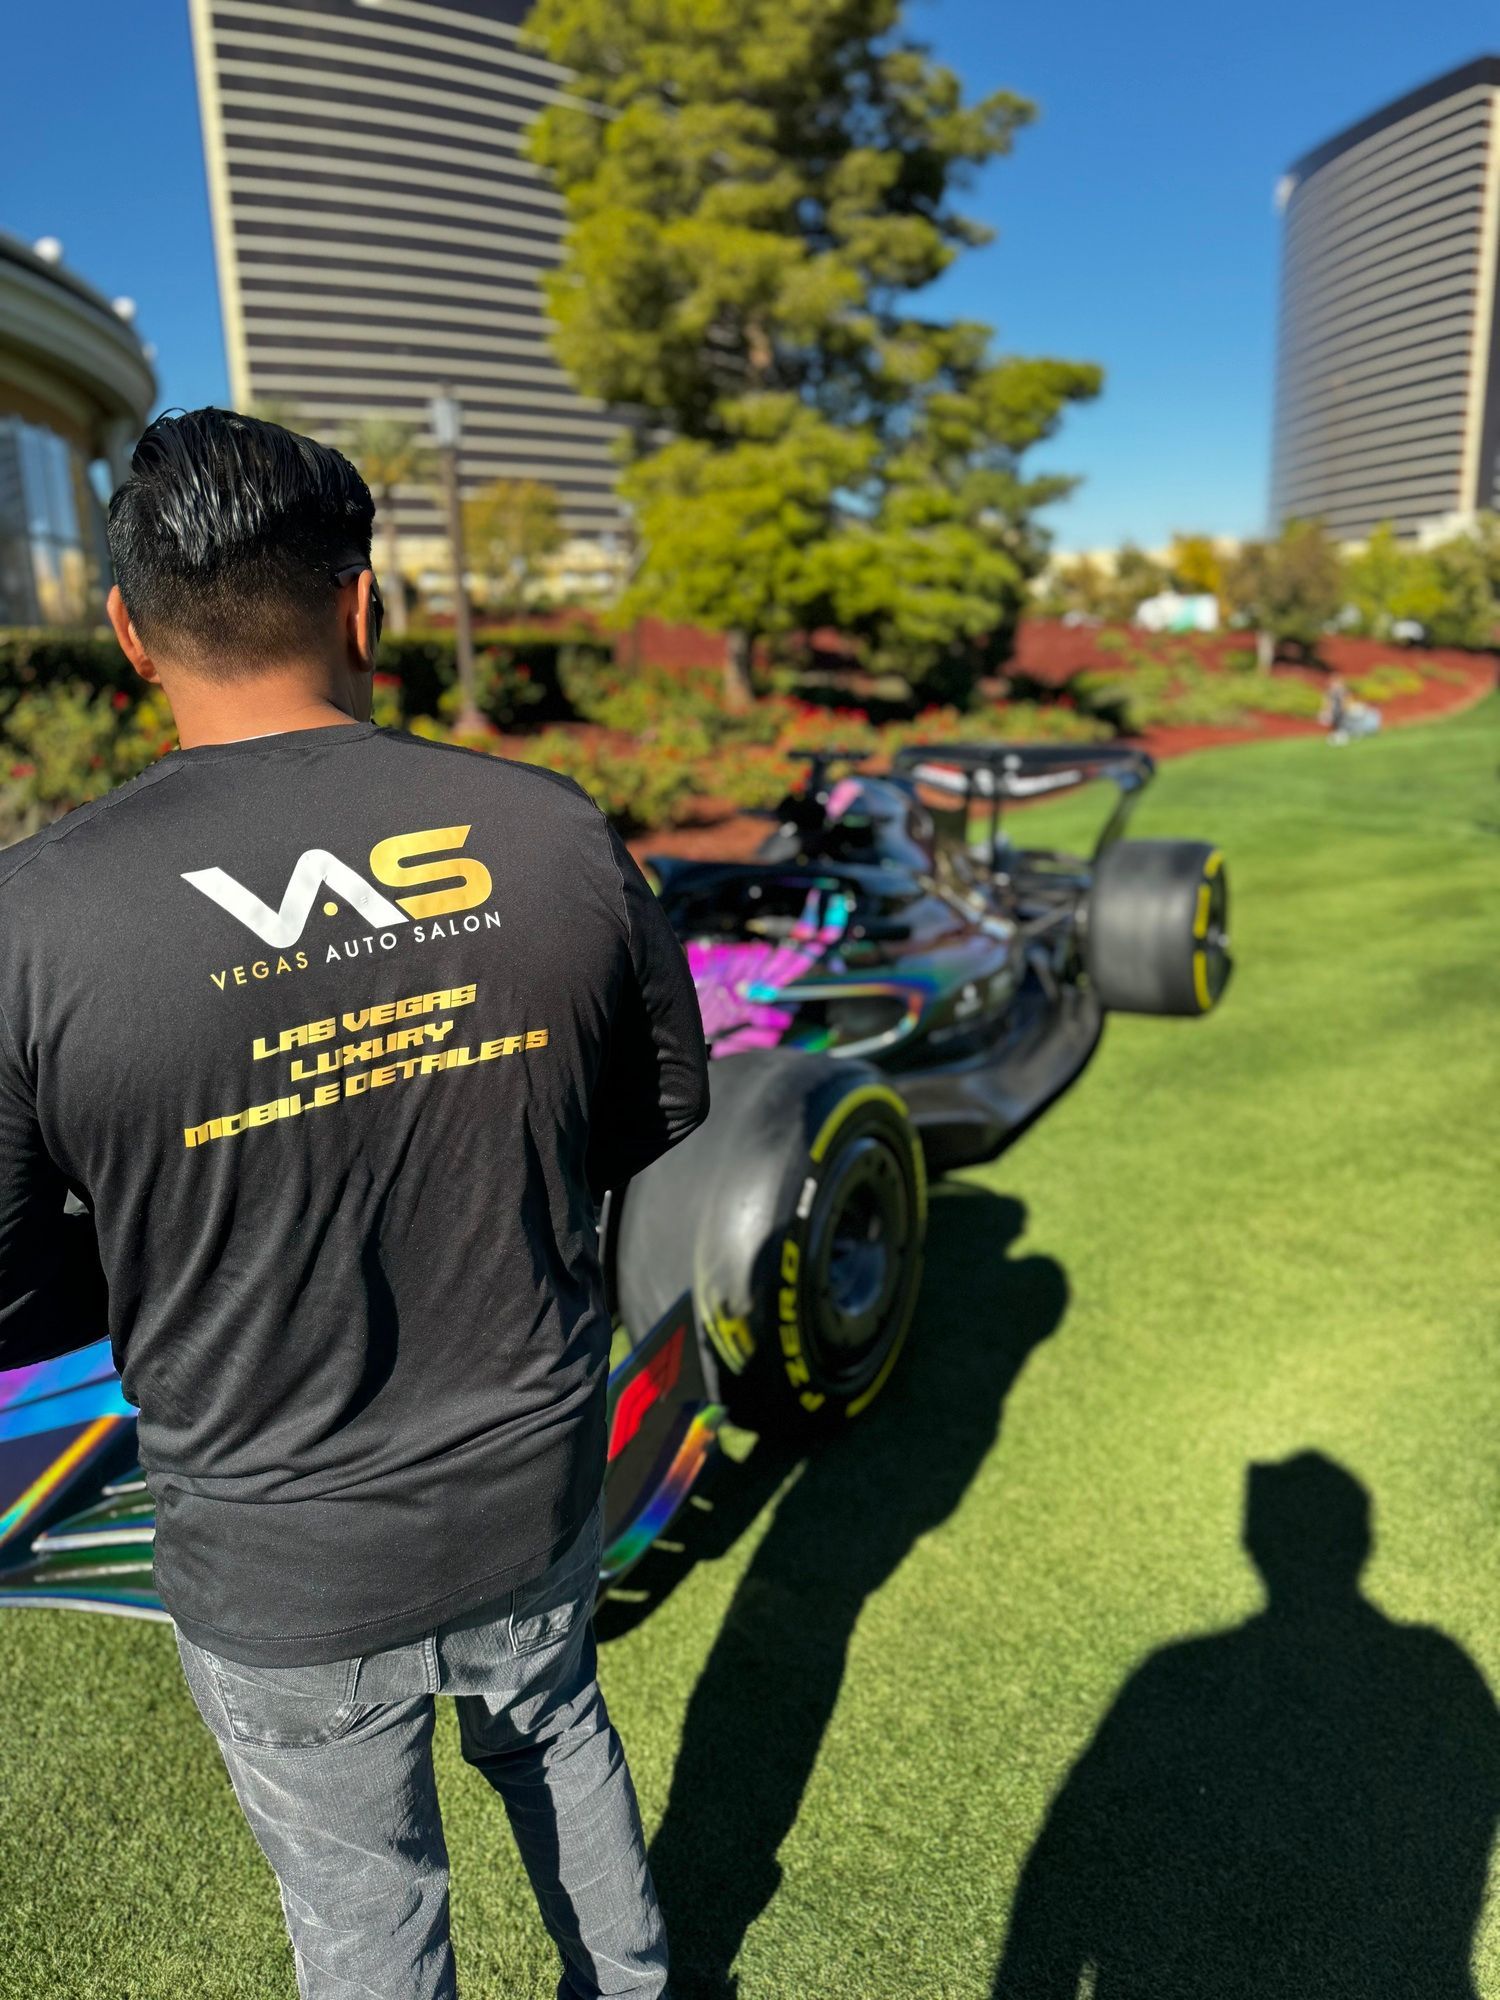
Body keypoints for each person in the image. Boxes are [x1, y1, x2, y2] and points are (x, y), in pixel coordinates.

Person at [0, 408, 709, 1999]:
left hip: (278, 1543)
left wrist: (175, 1251)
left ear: (129, 633)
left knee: (367, 1908)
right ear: (363, 606)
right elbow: (659, 1106)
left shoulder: (31, 921)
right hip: (527, 1470)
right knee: (557, 1734)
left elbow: (4, 1289)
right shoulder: (548, 826)